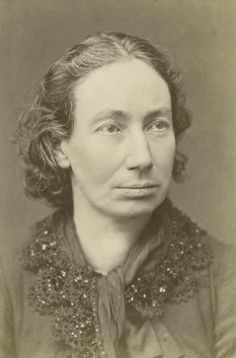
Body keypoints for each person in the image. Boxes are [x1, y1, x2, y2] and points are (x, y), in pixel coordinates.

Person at [0, 31, 235, 358]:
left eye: (157, 125)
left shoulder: (226, 278)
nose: (143, 158)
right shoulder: (9, 282)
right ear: (57, 148)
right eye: (112, 127)